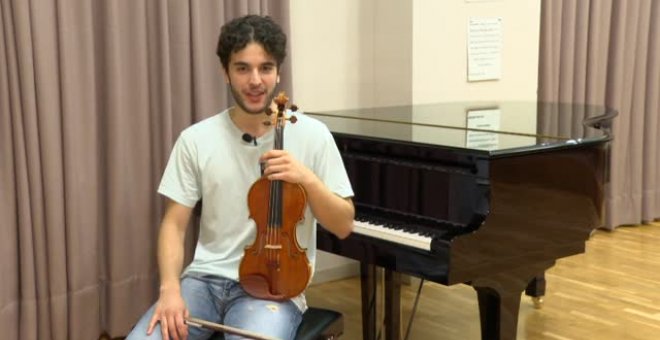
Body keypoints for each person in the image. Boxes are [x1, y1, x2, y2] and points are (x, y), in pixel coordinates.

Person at [126, 14, 355, 340]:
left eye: (265, 67)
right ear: (226, 73)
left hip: (273, 289)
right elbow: (173, 225)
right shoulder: (195, 139)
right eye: (242, 68)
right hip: (202, 282)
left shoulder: (314, 135)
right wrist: (170, 289)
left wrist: (306, 178)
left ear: (278, 72)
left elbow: (344, 224)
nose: (255, 80)